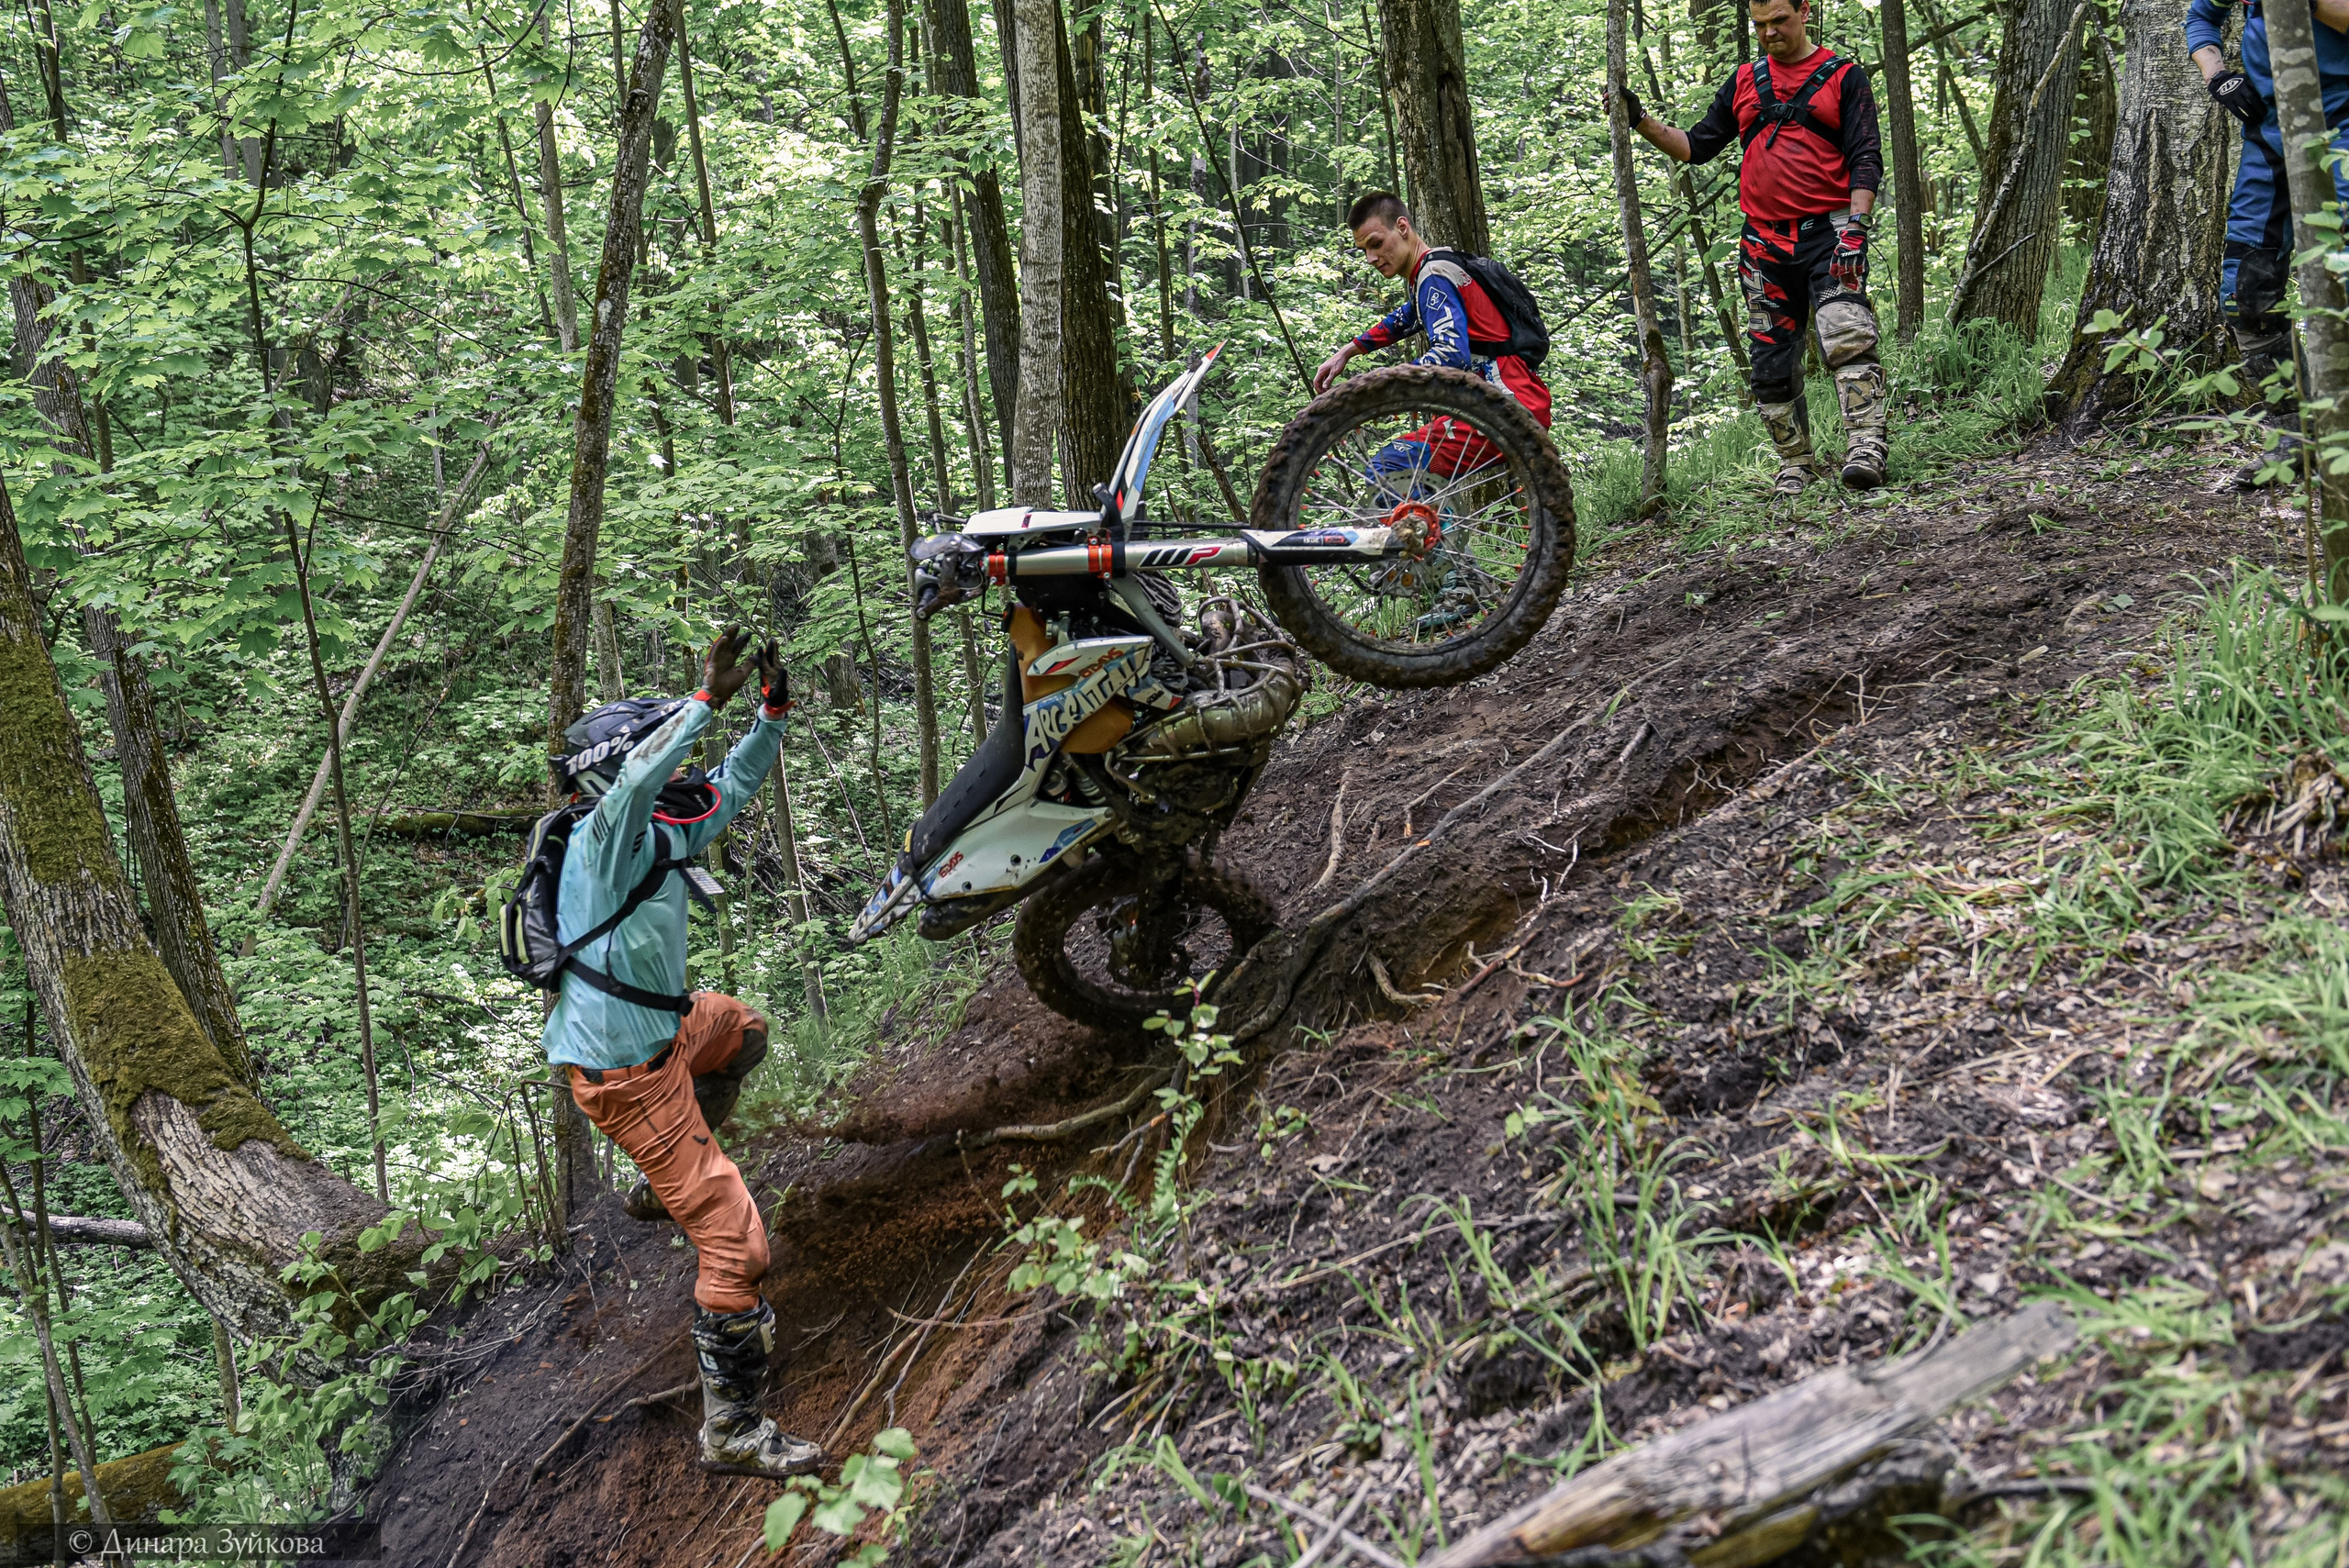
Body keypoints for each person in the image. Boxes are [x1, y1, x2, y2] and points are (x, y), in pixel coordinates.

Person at [542, 628, 822, 1480]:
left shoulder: (657, 832)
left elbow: (732, 785)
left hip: (664, 1034)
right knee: (739, 1245)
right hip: (628, 1076)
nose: (680, 777)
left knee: (744, 1030)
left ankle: (663, 1186)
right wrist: (706, 697)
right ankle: (731, 1429)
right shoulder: (602, 839)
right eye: (665, 760)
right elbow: (634, 780)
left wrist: (769, 710)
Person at [1614, 0, 1888, 494]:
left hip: (1831, 231)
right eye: (1759, 24)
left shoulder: (1844, 77)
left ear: (1805, 11)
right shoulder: (1745, 80)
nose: (1768, 33)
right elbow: (1696, 146)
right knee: (1768, 360)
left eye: (1779, 21)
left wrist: (1857, 227)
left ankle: (1867, 446)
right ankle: (1794, 462)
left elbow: (1867, 155)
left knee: (1846, 335)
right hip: (1763, 241)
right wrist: (1640, 121)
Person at [2188, 0, 2349, 468]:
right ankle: (2295, 432)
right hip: (2270, 137)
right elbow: (2201, 17)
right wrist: (2217, 74)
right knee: (2245, 291)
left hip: (2342, 126)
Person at [1313, 191, 1554, 495]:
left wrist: (1382, 381)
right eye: (1364, 250)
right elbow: (1408, 316)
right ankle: (1439, 534)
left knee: (1389, 465)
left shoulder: (1433, 275)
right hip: (1513, 401)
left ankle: (1432, 541)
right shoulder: (1438, 266)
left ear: (1402, 228)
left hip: (1503, 405)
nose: (1371, 258)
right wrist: (1351, 350)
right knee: (1410, 473)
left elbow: (1452, 352)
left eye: (1376, 244)